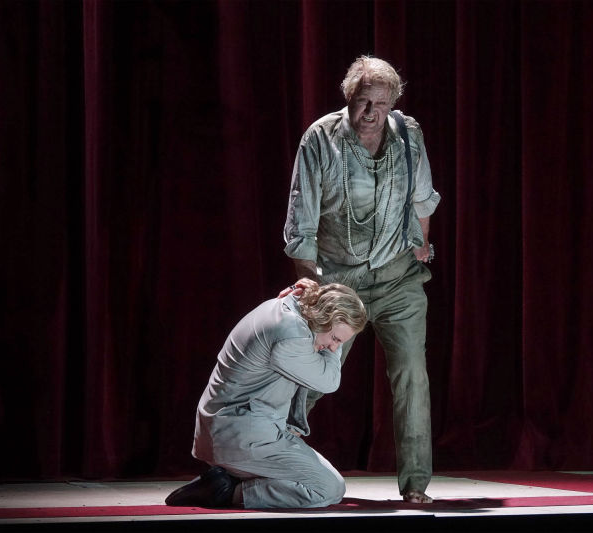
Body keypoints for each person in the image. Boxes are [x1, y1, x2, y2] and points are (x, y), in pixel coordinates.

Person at [283, 56, 441, 503]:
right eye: (363, 101)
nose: (371, 112)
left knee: (412, 374)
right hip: (340, 281)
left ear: (394, 104)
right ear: (348, 96)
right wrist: (310, 286)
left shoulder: (409, 133)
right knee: (312, 376)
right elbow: (301, 222)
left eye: (381, 103)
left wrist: (422, 244)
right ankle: (262, 454)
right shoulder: (320, 138)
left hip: (397, 277)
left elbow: (422, 198)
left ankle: (415, 485)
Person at [165, 280, 367, 509]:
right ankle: (224, 490)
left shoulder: (286, 306)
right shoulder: (292, 334)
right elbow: (330, 381)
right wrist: (334, 349)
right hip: (240, 436)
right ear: (323, 317)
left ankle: (229, 478)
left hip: (237, 429)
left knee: (327, 481)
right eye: (336, 338)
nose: (333, 347)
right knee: (327, 489)